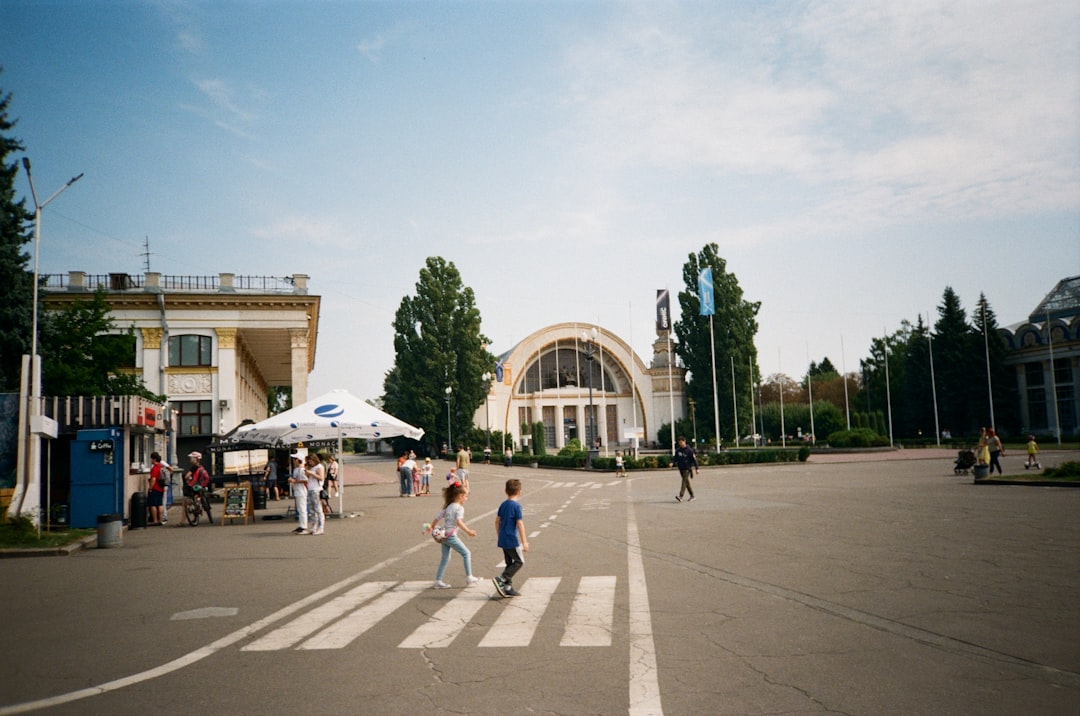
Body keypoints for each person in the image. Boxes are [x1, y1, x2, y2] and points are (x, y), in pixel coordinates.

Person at [431, 482, 480, 589]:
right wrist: (469, 531)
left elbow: (437, 517)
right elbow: (459, 522)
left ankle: (438, 581)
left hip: (444, 536)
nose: (466, 499)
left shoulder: (448, 507)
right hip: (451, 536)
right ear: (460, 496)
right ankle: (469, 577)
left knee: (445, 558)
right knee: (466, 553)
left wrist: (433, 530)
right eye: (466, 496)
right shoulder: (459, 508)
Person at [492, 478, 528, 598]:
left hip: (503, 537)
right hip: (512, 538)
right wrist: (524, 542)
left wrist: (499, 534)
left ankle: (508, 587)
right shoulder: (516, 506)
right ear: (519, 491)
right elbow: (520, 524)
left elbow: (497, 521)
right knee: (519, 562)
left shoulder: (503, 504)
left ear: (505, 491)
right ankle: (501, 578)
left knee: (509, 563)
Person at [183, 451, 212, 524]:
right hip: (199, 486)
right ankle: (197, 510)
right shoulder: (201, 468)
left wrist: (187, 478)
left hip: (193, 486)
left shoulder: (193, 468)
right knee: (197, 499)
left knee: (190, 499)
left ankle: (192, 516)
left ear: (196, 459)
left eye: (191, 458)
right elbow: (206, 477)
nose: (190, 459)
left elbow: (187, 476)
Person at [672, 436, 699, 502]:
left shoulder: (689, 450)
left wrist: (697, 468)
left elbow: (694, 460)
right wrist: (672, 462)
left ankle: (680, 496)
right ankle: (692, 495)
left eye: (681, 442)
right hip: (681, 468)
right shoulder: (678, 450)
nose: (680, 444)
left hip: (687, 468)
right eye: (679, 443)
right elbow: (675, 458)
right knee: (687, 483)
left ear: (684, 441)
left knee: (684, 482)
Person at [287, 454, 309, 534]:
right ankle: (301, 525)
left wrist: (295, 481)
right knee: (300, 509)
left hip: (301, 491)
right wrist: (292, 480)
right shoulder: (296, 469)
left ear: (297, 460)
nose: (293, 461)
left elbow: (306, 480)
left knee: (302, 509)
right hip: (297, 490)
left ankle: (304, 526)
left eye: (294, 459)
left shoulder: (302, 470)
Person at [147, 451, 170, 525]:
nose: (151, 461)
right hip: (161, 488)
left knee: (153, 505)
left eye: (151, 459)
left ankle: (155, 520)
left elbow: (153, 479)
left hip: (155, 488)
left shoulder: (155, 468)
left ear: (154, 459)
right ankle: (161, 520)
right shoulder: (162, 467)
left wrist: (150, 487)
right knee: (160, 504)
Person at [305, 454, 326, 535]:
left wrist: (312, 473)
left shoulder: (319, 467)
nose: (310, 463)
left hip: (316, 489)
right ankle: (313, 527)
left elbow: (321, 477)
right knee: (311, 509)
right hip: (310, 488)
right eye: (309, 461)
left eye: (311, 461)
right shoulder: (311, 467)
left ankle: (321, 527)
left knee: (318, 509)